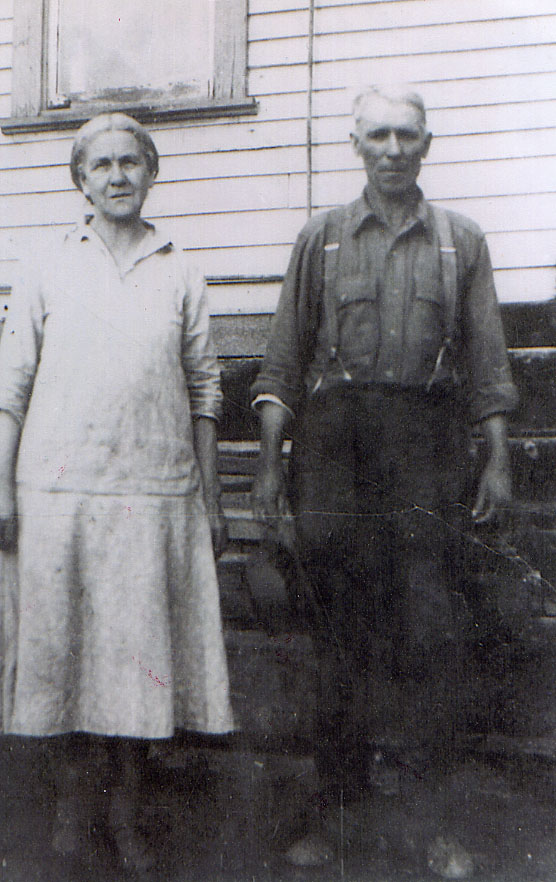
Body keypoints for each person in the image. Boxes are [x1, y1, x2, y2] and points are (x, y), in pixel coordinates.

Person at [251, 85, 518, 865]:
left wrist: (496, 460)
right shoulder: (322, 239)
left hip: (426, 443)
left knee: (432, 627)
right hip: (335, 447)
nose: (393, 149)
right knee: (339, 631)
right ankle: (331, 815)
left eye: (407, 135)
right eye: (378, 136)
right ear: (356, 144)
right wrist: (270, 467)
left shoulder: (460, 242)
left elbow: (488, 365)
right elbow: (282, 362)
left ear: (427, 145)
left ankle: (437, 824)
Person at [0, 112, 234, 874]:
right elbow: (11, 386)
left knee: (138, 660)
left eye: (131, 161)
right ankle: (72, 803)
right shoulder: (45, 265)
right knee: (65, 650)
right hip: (59, 494)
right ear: (80, 180)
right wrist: (1, 489)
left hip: (153, 493)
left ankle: (129, 811)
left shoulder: (179, 269)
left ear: (151, 172)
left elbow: (205, 389)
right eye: (100, 164)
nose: (117, 175)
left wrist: (211, 498)